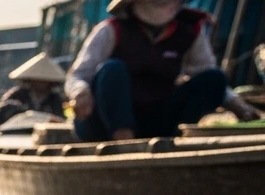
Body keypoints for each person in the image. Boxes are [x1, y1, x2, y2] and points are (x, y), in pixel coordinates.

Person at [67, 0, 260, 141]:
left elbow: (206, 73)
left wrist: (239, 105)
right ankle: (124, 141)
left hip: (156, 120)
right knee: (113, 69)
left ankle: (176, 139)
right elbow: (78, 75)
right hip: (105, 124)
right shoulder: (111, 30)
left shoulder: (189, 32)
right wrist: (80, 92)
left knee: (214, 78)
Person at [0, 53, 68, 132]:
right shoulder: (17, 94)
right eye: (37, 79)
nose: (40, 83)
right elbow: (0, 114)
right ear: (30, 80)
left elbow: (60, 120)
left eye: (44, 80)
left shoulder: (55, 99)